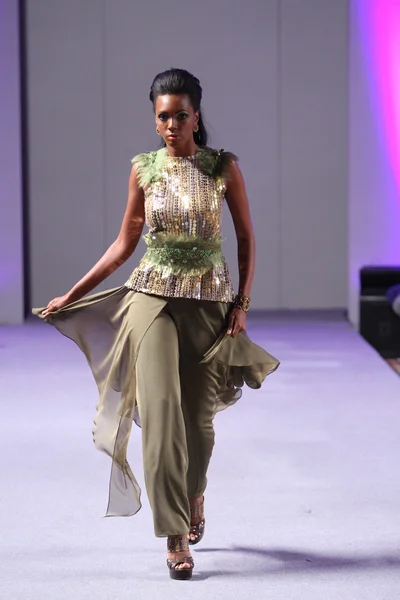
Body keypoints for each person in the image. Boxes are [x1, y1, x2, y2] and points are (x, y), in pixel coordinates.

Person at [33, 68, 279, 581]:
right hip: (151, 299)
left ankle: (194, 495)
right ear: (155, 117)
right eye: (162, 116)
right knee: (162, 412)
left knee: (199, 423)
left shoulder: (222, 168)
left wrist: (243, 304)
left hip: (210, 304)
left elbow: (248, 239)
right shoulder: (143, 169)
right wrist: (74, 293)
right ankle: (173, 535)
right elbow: (124, 244)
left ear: (196, 115)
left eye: (180, 116)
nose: (170, 125)